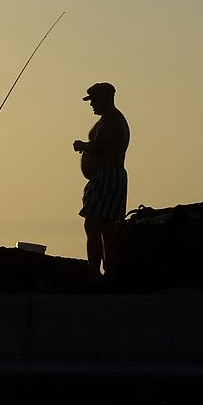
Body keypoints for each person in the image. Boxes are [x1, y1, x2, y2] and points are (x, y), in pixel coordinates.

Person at [73, 82, 130, 286]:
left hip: (107, 177)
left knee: (94, 224)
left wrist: (83, 145)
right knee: (107, 227)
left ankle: (95, 275)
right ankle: (109, 274)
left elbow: (101, 146)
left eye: (94, 100)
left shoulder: (110, 120)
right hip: (111, 177)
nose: (92, 105)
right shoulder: (112, 120)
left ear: (107, 97)